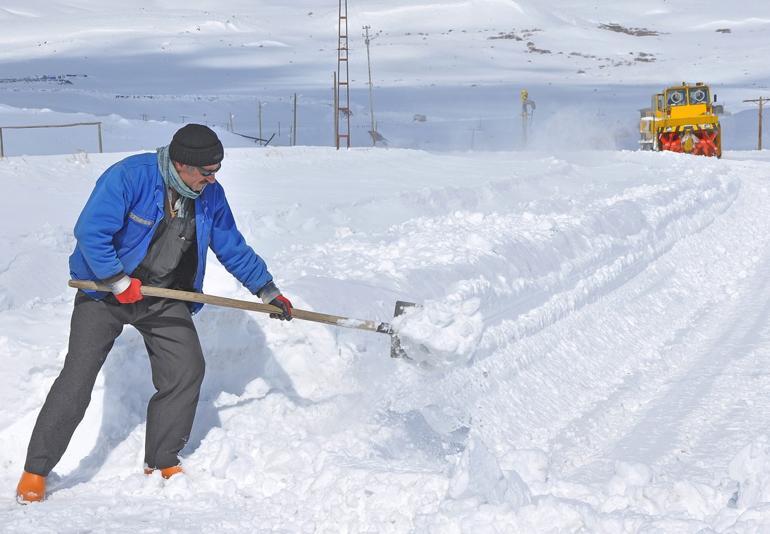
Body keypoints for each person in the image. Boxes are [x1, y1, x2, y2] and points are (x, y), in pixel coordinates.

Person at [16, 124, 293, 503]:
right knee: (77, 377)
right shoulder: (130, 177)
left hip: (163, 294)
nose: (213, 180)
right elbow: (91, 232)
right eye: (206, 172)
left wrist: (267, 289)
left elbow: (232, 245)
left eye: (217, 171)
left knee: (186, 369)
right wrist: (117, 280)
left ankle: (162, 459)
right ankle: (35, 470)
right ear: (181, 164)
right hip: (104, 291)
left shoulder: (210, 195)